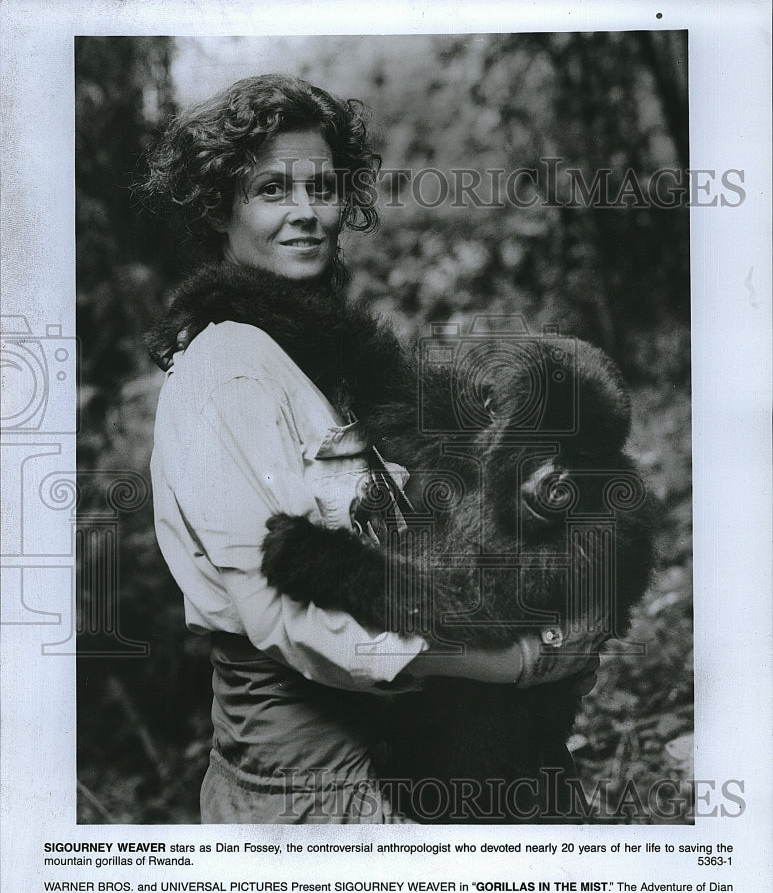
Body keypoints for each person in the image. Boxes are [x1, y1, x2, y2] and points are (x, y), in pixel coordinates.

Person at [143, 74, 600, 824]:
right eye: (271, 190)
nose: (306, 214)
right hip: (312, 776)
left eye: (321, 188)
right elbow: (291, 617)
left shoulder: (311, 345)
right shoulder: (228, 368)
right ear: (219, 204)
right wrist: (517, 663)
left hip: (402, 731)